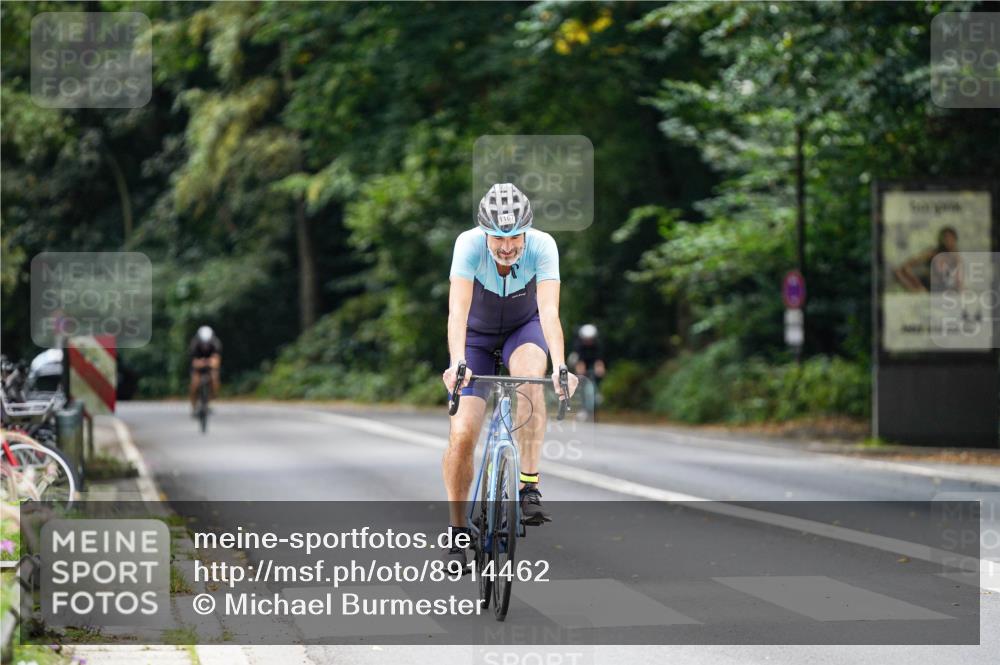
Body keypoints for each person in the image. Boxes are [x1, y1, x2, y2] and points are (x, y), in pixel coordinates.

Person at [441, 183, 578, 571]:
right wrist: (456, 362)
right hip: (476, 339)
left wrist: (561, 366)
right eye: (497, 238)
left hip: (524, 329)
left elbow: (549, 313)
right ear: (485, 233)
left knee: (532, 379)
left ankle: (529, 485)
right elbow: (457, 313)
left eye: (513, 237)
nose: (505, 247)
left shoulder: (543, 246)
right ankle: (456, 527)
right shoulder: (467, 245)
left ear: (527, 230)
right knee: (462, 432)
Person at [894, 226, 962, 293]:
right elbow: (907, 265)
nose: (949, 241)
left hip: (942, 287)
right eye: (946, 238)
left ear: (955, 239)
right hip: (927, 284)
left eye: (951, 238)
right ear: (941, 240)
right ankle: (918, 290)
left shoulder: (956, 256)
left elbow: (958, 279)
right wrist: (916, 283)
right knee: (899, 272)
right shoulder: (933, 252)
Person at [569, 324, 606, 419]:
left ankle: (597, 396)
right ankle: (582, 407)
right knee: (582, 382)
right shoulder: (578, 345)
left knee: (596, 381)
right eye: (586, 339)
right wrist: (580, 372)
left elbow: (599, 360)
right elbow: (579, 361)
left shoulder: (597, 344)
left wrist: (600, 368)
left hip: (592, 365)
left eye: (591, 339)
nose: (589, 341)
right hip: (581, 363)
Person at [189, 326, 221, 414]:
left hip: (209, 367)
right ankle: (194, 406)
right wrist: (207, 362)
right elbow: (194, 362)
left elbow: (216, 361)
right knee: (194, 384)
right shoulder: (194, 344)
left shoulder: (215, 343)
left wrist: (205, 362)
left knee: (214, 379)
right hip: (198, 368)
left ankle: (210, 401)